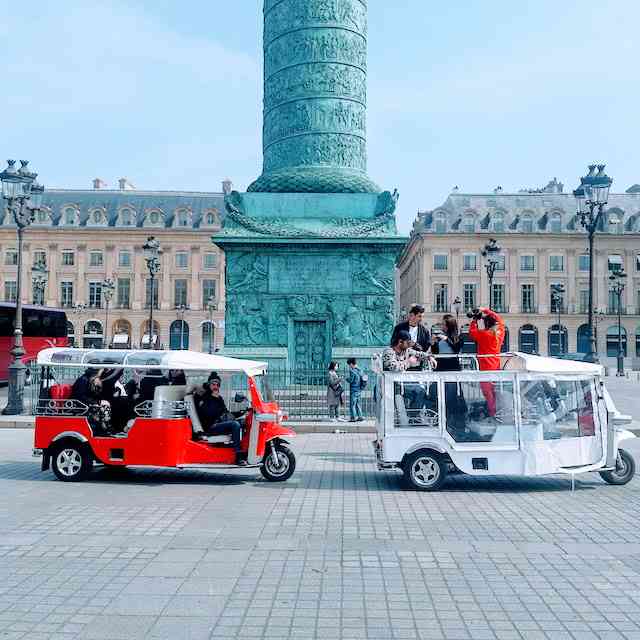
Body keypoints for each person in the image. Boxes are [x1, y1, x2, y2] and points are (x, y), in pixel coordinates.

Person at [194, 372, 246, 465]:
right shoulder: (204, 397)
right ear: (209, 384)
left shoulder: (218, 397)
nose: (215, 386)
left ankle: (244, 448)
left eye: (217, 384)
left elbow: (225, 412)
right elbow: (209, 414)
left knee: (244, 422)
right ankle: (238, 456)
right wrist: (214, 399)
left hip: (219, 423)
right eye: (213, 384)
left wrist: (242, 412)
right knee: (235, 425)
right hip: (211, 426)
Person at [468, 307, 505, 417]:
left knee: (488, 394)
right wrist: (486, 310)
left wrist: (475, 320)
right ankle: (497, 413)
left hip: (486, 368)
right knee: (495, 393)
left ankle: (493, 414)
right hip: (496, 366)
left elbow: (472, 333)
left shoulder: (485, 334)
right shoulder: (500, 332)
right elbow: (499, 319)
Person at [346, 358, 364, 422]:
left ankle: (353, 418)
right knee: (358, 404)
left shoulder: (352, 370)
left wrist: (347, 379)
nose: (349, 366)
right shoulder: (360, 369)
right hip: (359, 389)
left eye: (349, 364)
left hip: (353, 389)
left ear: (351, 364)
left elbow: (351, 380)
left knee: (352, 404)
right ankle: (360, 416)